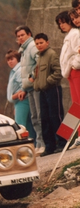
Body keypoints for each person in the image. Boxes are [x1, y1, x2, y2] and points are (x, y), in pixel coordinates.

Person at [29, 33, 66, 156]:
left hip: (52, 89)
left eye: (41, 43)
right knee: (44, 119)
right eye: (37, 43)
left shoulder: (52, 54)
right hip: (42, 92)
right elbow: (38, 74)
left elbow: (58, 72)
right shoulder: (39, 57)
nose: (39, 45)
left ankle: (62, 142)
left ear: (47, 42)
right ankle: (49, 146)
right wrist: (36, 83)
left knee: (56, 116)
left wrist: (47, 82)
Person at [14, 26, 45, 154]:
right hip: (29, 88)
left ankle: (43, 143)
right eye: (18, 36)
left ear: (29, 34)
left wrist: (32, 77)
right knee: (34, 117)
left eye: (22, 35)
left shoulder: (31, 46)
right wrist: (23, 88)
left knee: (39, 116)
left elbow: (39, 62)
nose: (20, 38)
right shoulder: (24, 49)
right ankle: (39, 143)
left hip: (36, 86)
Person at [56, 10, 80, 149]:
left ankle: (69, 135)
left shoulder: (76, 34)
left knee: (78, 103)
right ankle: (73, 135)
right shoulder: (69, 36)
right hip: (70, 73)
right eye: (60, 24)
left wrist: (74, 65)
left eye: (64, 22)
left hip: (76, 71)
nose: (62, 25)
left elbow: (77, 53)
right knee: (75, 104)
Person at [5, 49, 35, 139]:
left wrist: (15, 96)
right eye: (8, 60)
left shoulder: (18, 71)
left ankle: (22, 144)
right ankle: (34, 143)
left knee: (20, 126)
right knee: (29, 125)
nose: (10, 61)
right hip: (18, 103)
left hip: (22, 101)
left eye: (12, 59)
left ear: (17, 59)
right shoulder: (14, 71)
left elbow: (23, 86)